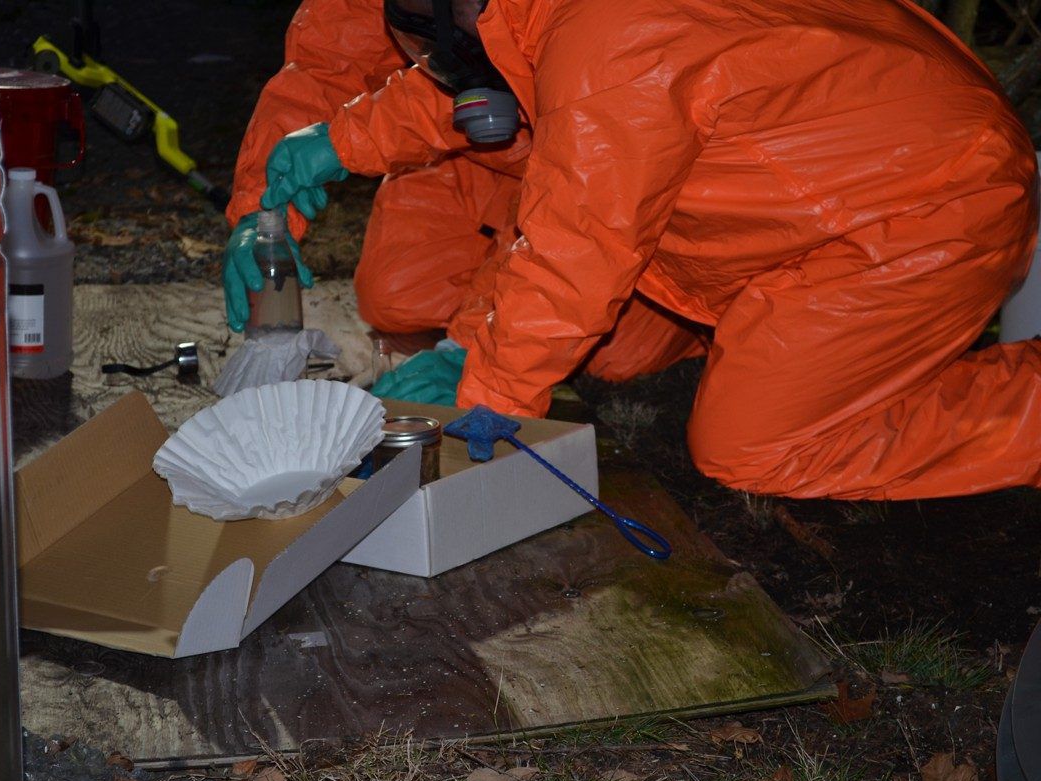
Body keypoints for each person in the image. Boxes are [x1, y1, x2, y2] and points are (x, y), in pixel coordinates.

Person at [222, 0, 1041, 500]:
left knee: (751, 445)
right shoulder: (553, 17)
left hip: (921, 214)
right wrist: (338, 139)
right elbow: (498, 82)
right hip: (848, 180)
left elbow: (580, 241)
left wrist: (485, 378)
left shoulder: (614, 45)